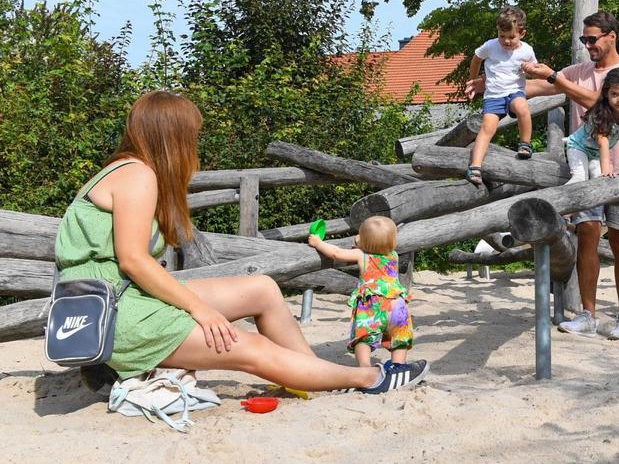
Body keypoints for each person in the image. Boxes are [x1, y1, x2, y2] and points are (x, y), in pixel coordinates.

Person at [54, 91, 413, 395]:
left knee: (262, 289)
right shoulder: (138, 176)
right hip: (117, 312)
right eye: (192, 136)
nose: (195, 144)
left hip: (123, 296)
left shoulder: (127, 169)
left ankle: (310, 375)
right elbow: (133, 260)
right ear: (173, 136)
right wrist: (201, 309)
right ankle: (370, 377)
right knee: (250, 348)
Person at [469, 11, 619, 341]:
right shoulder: (580, 70)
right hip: (588, 165)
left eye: (592, 39)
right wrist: (495, 81)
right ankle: (588, 314)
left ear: (611, 37)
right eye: (584, 40)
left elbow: (598, 102)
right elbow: (537, 85)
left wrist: (555, 78)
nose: (587, 45)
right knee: (588, 235)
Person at [308, 216, 429, 387]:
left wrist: (317, 242)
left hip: (373, 306)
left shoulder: (361, 255)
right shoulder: (393, 255)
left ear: (364, 242)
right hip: (398, 306)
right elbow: (377, 243)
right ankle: (398, 367)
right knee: (399, 338)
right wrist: (363, 241)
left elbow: (335, 253)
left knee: (363, 338)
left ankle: (365, 368)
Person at [465, 7, 538, 185]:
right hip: (494, 95)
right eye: (501, 36)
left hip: (515, 91)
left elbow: (535, 71)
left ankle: (525, 144)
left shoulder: (526, 51)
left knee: (522, 108)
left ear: (522, 33)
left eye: (511, 37)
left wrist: (529, 70)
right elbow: (476, 59)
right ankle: (475, 166)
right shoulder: (491, 46)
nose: (505, 41)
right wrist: (473, 79)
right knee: (487, 127)